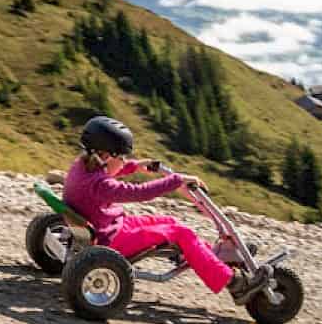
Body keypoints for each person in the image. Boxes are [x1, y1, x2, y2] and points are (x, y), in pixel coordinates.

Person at [60, 115, 271, 299]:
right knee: (181, 233)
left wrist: (138, 165)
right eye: (122, 157)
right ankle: (234, 283)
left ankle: (205, 256)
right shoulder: (100, 184)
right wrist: (176, 180)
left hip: (106, 226)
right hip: (111, 239)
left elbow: (109, 175)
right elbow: (138, 192)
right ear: (105, 156)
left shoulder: (82, 167)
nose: (125, 161)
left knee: (169, 222)